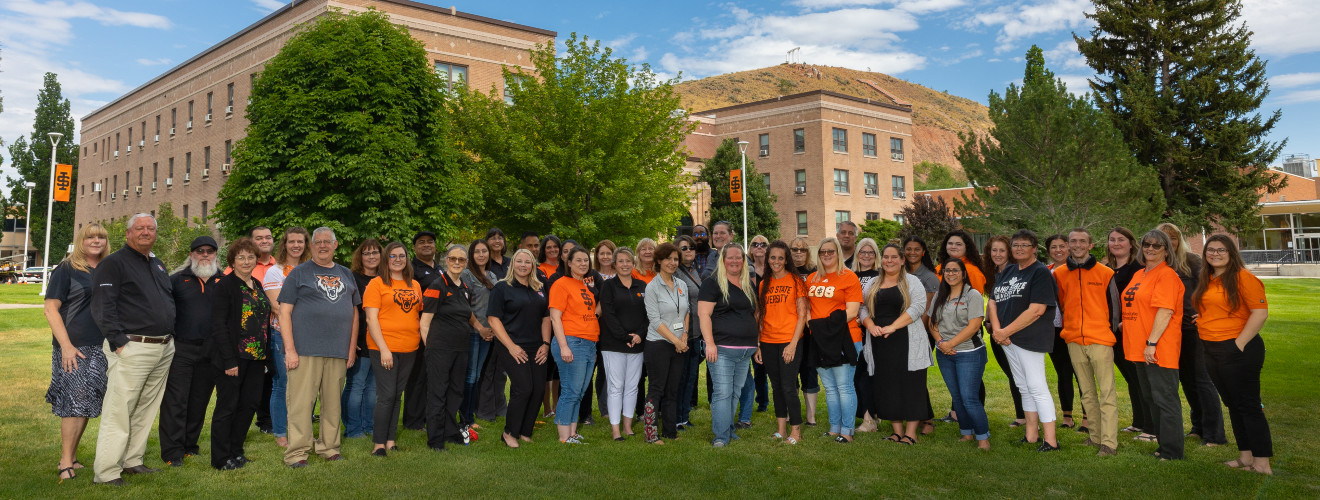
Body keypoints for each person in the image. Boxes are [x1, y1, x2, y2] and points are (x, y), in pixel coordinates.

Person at [90, 214, 176, 486]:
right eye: (139, 228)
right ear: (128, 233)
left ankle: (132, 461)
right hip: (132, 347)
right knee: (120, 409)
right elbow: (103, 306)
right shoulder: (113, 264)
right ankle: (106, 472)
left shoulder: (158, 264)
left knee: (146, 408)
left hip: (162, 347)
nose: (146, 232)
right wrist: (118, 341)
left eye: (151, 228)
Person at [278, 227, 360, 468]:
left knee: (332, 404)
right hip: (305, 350)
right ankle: (297, 453)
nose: (323, 246)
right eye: (318, 242)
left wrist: (352, 348)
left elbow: (354, 314)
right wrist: (290, 350)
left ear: (335, 245)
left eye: (327, 242)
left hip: (337, 351)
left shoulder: (346, 274)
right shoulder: (299, 273)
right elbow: (284, 312)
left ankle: (329, 447)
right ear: (311, 246)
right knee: (301, 404)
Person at [1193, 235, 1272, 474]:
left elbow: (1259, 313)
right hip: (1212, 348)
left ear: (1232, 253)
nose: (1215, 254)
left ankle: (1262, 464)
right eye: (1211, 250)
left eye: (1221, 250)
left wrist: (1237, 344)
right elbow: (1218, 307)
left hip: (1238, 350)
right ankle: (1246, 458)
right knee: (1234, 406)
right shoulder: (1208, 278)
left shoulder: (1243, 278)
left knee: (1248, 406)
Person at [45, 223, 110, 482]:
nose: (96, 241)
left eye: (101, 237)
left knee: (87, 403)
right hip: (75, 346)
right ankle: (64, 462)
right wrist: (66, 347)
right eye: (91, 237)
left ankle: (71, 457)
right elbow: (51, 309)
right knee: (74, 404)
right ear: (81, 241)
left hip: (101, 346)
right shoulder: (67, 269)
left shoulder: (107, 269)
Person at [987, 229, 1060, 452]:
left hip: (1030, 338)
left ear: (1034, 248)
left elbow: (1037, 310)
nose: (1019, 249)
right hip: (1008, 339)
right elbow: (993, 301)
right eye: (1016, 245)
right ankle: (1031, 435)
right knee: (1023, 386)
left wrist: (1005, 331)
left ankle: (1051, 441)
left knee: (1037, 387)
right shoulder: (1008, 271)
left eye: (1024, 245)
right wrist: (998, 331)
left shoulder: (1040, 273)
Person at [1158, 222, 1226, 446]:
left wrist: (1207, 315)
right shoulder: (1157, 265)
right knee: (1186, 380)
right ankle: (1198, 426)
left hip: (1192, 329)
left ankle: (1214, 434)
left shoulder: (1193, 261)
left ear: (1179, 240)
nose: (1170, 242)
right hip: (1169, 331)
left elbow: (1215, 289)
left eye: (1174, 237)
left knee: (1202, 380)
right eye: (1165, 238)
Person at [1121, 229, 1185, 461]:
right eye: (1146, 244)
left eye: (1156, 246)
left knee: (1165, 400)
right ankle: (1162, 444)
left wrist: (1152, 343)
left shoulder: (1166, 275)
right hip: (1139, 347)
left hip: (1157, 348)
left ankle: (1173, 451)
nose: (1149, 248)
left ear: (1166, 250)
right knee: (1151, 398)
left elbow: (1165, 311)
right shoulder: (1140, 274)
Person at [159, 236, 223, 467]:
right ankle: (172, 451)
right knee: (176, 401)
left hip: (211, 351)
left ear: (216, 254)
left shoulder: (225, 281)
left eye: (209, 251)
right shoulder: (176, 280)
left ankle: (189, 446)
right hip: (181, 348)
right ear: (191, 254)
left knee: (199, 401)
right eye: (199, 251)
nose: (204, 255)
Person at [1054, 228, 1119, 456]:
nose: (1078, 245)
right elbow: (1062, 305)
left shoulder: (1105, 273)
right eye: (1073, 241)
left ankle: (1109, 443)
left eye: (1083, 241)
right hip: (1073, 339)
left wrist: (1107, 332)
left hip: (1100, 339)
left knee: (1107, 392)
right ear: (1068, 245)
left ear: (1091, 245)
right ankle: (1095, 436)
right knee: (1087, 392)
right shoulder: (1060, 274)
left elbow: (1114, 309)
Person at [860, 244, 933, 445]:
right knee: (887, 386)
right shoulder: (874, 282)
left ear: (902, 260)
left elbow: (919, 306)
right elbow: (863, 309)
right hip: (879, 343)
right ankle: (896, 432)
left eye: (894, 257)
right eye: (885, 257)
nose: (889, 261)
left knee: (911, 386)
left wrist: (893, 326)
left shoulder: (912, 281)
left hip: (907, 341)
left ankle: (911, 433)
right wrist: (871, 325)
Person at [208, 237, 271, 470]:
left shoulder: (257, 284)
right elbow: (218, 325)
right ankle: (221, 458)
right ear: (232, 261)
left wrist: (266, 358)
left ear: (257, 259)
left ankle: (236, 451)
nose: (246, 261)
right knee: (228, 407)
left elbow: (264, 322)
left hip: (256, 358)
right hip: (232, 359)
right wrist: (228, 360)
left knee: (249, 405)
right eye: (241, 257)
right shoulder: (224, 286)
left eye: (250, 257)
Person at [420, 244, 489, 451]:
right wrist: (430, 349)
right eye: (453, 259)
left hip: (461, 349)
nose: (457, 263)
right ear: (446, 261)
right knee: (438, 394)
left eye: (461, 260)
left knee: (456, 392)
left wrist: (480, 327)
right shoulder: (437, 285)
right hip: (439, 349)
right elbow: (424, 323)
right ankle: (435, 440)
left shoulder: (464, 288)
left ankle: (451, 432)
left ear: (466, 263)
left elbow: (467, 314)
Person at [363, 242, 423, 457]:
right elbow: (371, 319)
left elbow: (416, 314)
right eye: (393, 256)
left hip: (410, 347)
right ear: (386, 259)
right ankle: (378, 443)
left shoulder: (414, 284)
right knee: (387, 395)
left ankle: (390, 440)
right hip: (384, 347)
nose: (398, 260)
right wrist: (384, 349)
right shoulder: (376, 284)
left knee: (397, 395)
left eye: (402, 256)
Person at [488, 249, 552, 448]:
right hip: (511, 345)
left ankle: (525, 431)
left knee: (538, 388)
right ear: (513, 264)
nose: (523, 265)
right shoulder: (502, 288)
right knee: (523, 388)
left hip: (537, 346)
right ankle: (509, 432)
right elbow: (493, 319)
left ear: (533, 265)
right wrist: (512, 347)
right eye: (519, 261)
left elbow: (546, 318)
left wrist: (546, 344)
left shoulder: (539, 287)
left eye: (528, 262)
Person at [698, 243, 759, 447]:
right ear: (722, 260)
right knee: (723, 393)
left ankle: (728, 429)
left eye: (738, 257)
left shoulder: (748, 284)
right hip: (722, 349)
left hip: (745, 350)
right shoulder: (712, 283)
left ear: (744, 260)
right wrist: (710, 344)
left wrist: (757, 342)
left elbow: (754, 315)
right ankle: (720, 436)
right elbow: (704, 315)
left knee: (734, 392)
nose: (735, 261)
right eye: (730, 257)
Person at [806, 237, 864, 443]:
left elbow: (852, 311)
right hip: (819, 340)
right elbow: (806, 309)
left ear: (838, 252)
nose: (827, 255)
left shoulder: (849, 277)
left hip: (844, 338)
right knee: (829, 388)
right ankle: (834, 428)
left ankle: (847, 431)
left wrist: (820, 324)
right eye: (823, 252)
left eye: (831, 251)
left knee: (844, 386)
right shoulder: (811, 278)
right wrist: (812, 324)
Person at [928, 258, 990, 449]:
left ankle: (983, 438)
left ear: (963, 273)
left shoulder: (973, 295)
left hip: (970, 353)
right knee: (957, 396)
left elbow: (973, 327)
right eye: (947, 270)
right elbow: (932, 324)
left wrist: (950, 344)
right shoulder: (940, 295)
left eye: (955, 270)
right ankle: (966, 434)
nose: (951, 274)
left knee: (969, 397)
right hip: (944, 353)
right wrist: (941, 342)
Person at [755, 240, 807, 444]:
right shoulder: (763, 284)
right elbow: (761, 315)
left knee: (788, 386)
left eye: (780, 258)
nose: (776, 261)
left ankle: (796, 432)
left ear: (786, 260)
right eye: (773, 257)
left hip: (789, 341)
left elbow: (802, 315)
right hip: (768, 341)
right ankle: (781, 430)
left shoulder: (796, 281)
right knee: (776, 387)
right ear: (768, 259)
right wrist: (758, 344)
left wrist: (793, 344)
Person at [262, 226, 310, 448]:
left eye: (300, 241)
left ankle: (301, 431)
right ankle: (281, 432)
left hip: (309, 337)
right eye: (292, 241)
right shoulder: (276, 271)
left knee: (307, 386)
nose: (296, 245)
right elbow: (275, 306)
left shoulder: (311, 269)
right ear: (285, 244)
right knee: (283, 384)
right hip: (282, 335)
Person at [549, 246, 601, 444]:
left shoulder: (585, 285)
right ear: (568, 263)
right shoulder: (561, 284)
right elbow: (555, 317)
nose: (583, 263)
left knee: (579, 391)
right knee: (570, 391)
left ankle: (572, 433)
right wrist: (563, 346)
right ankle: (564, 436)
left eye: (585, 260)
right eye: (578, 260)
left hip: (588, 343)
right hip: (571, 341)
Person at [639, 243, 691, 444]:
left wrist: (684, 336)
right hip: (659, 344)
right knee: (657, 389)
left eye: (676, 259)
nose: (672, 262)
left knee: (672, 389)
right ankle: (651, 434)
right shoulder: (652, 287)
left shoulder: (682, 285)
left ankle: (670, 432)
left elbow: (686, 312)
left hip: (679, 344)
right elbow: (655, 320)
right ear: (659, 260)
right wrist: (675, 340)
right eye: (668, 258)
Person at [1105, 226, 1152, 440]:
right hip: (1112, 333)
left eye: (1121, 239)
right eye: (1112, 239)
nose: (1116, 243)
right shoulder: (1107, 269)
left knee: (1142, 379)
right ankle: (1139, 422)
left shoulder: (1139, 269)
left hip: (1132, 331)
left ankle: (1151, 425)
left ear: (1132, 243)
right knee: (1132, 379)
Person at [600, 247, 647, 441]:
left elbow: (649, 315)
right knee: (616, 386)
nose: (625, 264)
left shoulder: (642, 285)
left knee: (632, 386)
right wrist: (625, 337)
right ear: (614, 265)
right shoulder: (608, 286)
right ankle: (616, 429)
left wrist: (639, 336)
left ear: (633, 263)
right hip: (613, 344)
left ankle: (628, 426)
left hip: (638, 344)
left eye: (628, 261)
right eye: (621, 261)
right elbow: (609, 316)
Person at [981, 234, 1025, 427]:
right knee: (1012, 374)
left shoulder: (1016, 274)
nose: (997, 254)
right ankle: (1022, 415)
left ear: (1009, 253)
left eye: (1002, 250)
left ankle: (1026, 417)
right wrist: (987, 321)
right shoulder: (995, 275)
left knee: (1020, 375)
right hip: (995, 332)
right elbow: (993, 303)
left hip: (1013, 332)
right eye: (994, 250)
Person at [343, 239, 382, 440]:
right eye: (367, 253)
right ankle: (353, 428)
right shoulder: (352, 278)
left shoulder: (386, 279)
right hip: (358, 339)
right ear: (360, 257)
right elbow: (347, 310)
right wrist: (350, 339)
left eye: (375, 252)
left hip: (380, 341)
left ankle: (369, 425)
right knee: (356, 384)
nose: (372, 256)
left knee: (373, 388)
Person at [1043, 235, 1081, 430]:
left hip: (1075, 327)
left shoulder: (1078, 270)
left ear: (1069, 248)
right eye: (1053, 247)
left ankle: (1087, 417)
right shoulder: (1046, 271)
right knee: (1063, 373)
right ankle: (1067, 416)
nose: (1058, 250)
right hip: (1054, 329)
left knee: (1082, 373)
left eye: (1062, 246)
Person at [460, 239, 498, 432]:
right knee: (470, 376)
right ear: (471, 255)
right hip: (472, 332)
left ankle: (469, 416)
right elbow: (465, 307)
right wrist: (480, 329)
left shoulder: (492, 275)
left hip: (487, 334)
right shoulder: (467, 275)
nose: (481, 255)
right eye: (477, 252)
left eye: (484, 251)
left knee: (476, 376)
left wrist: (490, 330)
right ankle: (465, 418)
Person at [403, 230, 439, 432]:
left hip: (440, 330)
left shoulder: (441, 269)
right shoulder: (412, 270)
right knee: (418, 376)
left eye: (430, 242)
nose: (427, 245)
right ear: (415, 248)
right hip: (420, 329)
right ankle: (413, 421)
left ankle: (429, 416)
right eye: (422, 242)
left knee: (433, 376)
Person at [851, 237, 882, 433]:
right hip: (853, 334)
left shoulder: (880, 276)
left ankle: (870, 419)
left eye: (870, 252)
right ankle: (870, 416)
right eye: (862, 252)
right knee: (857, 376)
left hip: (872, 331)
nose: (866, 256)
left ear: (876, 255)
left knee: (867, 376)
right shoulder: (850, 275)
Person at [250, 226, 278, 435]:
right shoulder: (243, 264)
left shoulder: (279, 265)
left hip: (277, 326)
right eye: (259, 238)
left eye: (268, 237)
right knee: (260, 375)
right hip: (253, 328)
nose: (264, 241)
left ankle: (272, 417)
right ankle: (264, 420)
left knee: (274, 373)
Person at [674, 235, 704, 429]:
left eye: (691, 247)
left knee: (690, 378)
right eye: (684, 248)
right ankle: (676, 418)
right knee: (680, 378)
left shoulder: (694, 270)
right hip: (679, 335)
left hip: (695, 333)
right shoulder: (674, 272)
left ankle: (684, 416)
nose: (689, 251)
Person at [789, 236, 820, 425]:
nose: (798, 253)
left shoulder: (815, 272)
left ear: (808, 252)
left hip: (809, 331)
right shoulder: (784, 271)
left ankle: (811, 417)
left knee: (809, 371)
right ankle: (792, 412)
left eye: (802, 250)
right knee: (790, 372)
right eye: (794, 249)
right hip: (789, 329)